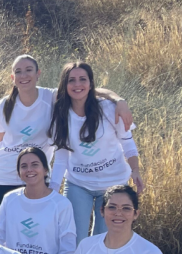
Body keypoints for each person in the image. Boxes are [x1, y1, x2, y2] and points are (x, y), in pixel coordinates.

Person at [0, 55, 133, 212]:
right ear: (12, 77)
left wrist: (119, 100)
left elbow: (84, 90)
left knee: (38, 228)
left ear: (38, 73)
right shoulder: (2, 106)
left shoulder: (51, 97)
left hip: (36, 176)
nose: (24, 75)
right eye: (18, 71)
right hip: (2, 177)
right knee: (5, 231)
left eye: (29, 70)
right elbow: (0, 142)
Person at [48, 62, 143, 244]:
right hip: (78, 183)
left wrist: (135, 170)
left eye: (83, 79)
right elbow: (61, 157)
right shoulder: (60, 114)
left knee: (104, 240)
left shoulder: (108, 108)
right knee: (75, 239)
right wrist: (53, 189)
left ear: (91, 83)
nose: (77, 85)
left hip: (113, 184)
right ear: (64, 85)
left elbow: (127, 142)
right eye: (72, 80)